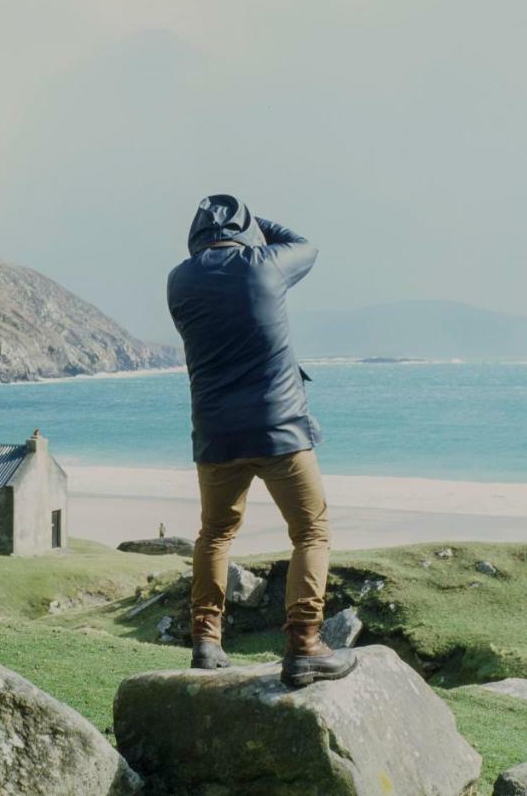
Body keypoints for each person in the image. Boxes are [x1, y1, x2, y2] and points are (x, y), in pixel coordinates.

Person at [167, 193, 357, 688]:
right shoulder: (264, 265)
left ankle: (206, 642)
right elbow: (305, 245)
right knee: (311, 533)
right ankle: (304, 645)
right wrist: (254, 221)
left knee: (215, 534)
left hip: (215, 435)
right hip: (280, 430)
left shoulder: (179, 281)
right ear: (247, 233)